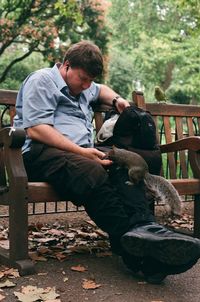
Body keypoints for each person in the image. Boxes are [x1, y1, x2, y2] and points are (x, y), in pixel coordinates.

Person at [14, 40, 200, 284]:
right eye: (83, 79)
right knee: (92, 169)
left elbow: (101, 89)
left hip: (77, 156)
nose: (86, 85)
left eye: (90, 80)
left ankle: (147, 231)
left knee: (122, 164)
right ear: (66, 66)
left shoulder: (84, 85)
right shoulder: (42, 81)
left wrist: (117, 100)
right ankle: (134, 245)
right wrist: (83, 152)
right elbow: (37, 130)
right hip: (40, 154)